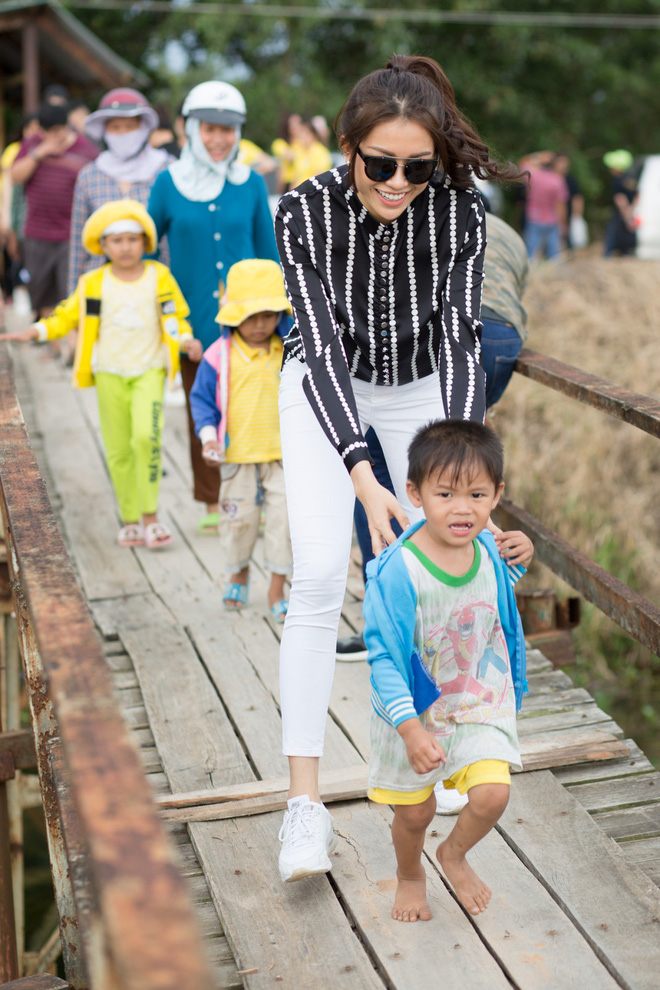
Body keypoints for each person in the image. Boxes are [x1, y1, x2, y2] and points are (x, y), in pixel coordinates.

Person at [274, 53, 531, 885]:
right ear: (346, 145)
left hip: (421, 379)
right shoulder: (303, 212)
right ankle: (303, 806)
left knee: (456, 563)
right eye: (379, 162)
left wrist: (458, 475)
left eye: (416, 166)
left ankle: (449, 752)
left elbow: (461, 337)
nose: (397, 180)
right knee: (318, 576)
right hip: (328, 383)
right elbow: (314, 347)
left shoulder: (460, 209)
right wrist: (363, 474)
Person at [364, 419, 527, 921]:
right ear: (414, 493)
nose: (463, 508)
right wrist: (410, 729)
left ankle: (453, 853)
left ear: (496, 494)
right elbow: (384, 658)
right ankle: (411, 873)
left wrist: (525, 551)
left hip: (479, 699)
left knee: (492, 794)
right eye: (445, 494)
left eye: (477, 494)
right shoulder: (399, 571)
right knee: (415, 812)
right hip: (414, 713)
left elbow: (503, 581)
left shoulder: (486, 551)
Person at [4, 200, 191, 549]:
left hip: (149, 370)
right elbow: (64, 317)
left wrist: (186, 341)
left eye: (132, 239)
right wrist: (35, 332)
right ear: (103, 246)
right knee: (119, 449)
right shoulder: (93, 282)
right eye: (116, 240)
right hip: (108, 373)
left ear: (145, 242)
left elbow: (175, 317)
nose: (125, 247)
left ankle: (151, 517)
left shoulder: (159, 277)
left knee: (146, 440)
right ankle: (131, 519)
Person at [148, 80, 279, 536]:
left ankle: (255, 497)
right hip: (194, 324)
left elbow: (269, 253)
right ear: (190, 129)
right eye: (209, 129)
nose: (219, 139)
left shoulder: (251, 184)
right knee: (201, 408)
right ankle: (210, 500)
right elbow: (147, 252)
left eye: (227, 129)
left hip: (253, 322)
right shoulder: (169, 184)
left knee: (253, 408)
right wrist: (162, 310)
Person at [190, 259, 293, 620]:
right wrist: (208, 438)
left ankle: (278, 585)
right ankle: (239, 570)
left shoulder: (289, 350)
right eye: (251, 316)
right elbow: (201, 400)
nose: (260, 324)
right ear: (233, 315)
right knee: (239, 522)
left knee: (285, 523)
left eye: (268, 314)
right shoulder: (218, 355)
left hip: (284, 457)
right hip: (237, 456)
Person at [68, 89, 173, 294]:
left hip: (154, 286)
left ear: (143, 128)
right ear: (104, 131)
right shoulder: (90, 175)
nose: (123, 133)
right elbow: (77, 245)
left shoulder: (167, 169)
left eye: (130, 126)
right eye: (115, 127)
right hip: (100, 289)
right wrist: (74, 300)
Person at [10, 103, 97, 324]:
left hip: (71, 235)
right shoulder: (32, 144)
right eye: (46, 131)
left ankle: (69, 345)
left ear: (66, 126)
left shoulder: (86, 149)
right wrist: (39, 153)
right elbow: (15, 176)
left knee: (68, 293)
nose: (51, 136)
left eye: (56, 131)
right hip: (36, 233)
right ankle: (53, 346)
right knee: (41, 292)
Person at [523, 152, 569, 261]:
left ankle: (531, 273)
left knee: (531, 252)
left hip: (534, 217)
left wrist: (539, 156)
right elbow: (560, 205)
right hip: (552, 220)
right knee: (554, 254)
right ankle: (554, 274)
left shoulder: (534, 176)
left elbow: (523, 162)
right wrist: (563, 224)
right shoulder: (558, 181)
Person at [603, 149, 638, 258]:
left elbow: (620, 199)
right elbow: (638, 195)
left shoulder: (618, 181)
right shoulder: (631, 179)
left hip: (621, 215)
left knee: (612, 236)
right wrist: (631, 210)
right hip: (631, 212)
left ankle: (608, 257)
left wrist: (627, 216)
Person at [287, 118, 333, 189]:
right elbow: (295, 178)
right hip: (298, 193)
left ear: (313, 135)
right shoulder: (299, 152)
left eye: (303, 133)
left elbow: (319, 177)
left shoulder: (321, 152)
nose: (301, 137)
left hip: (312, 193)